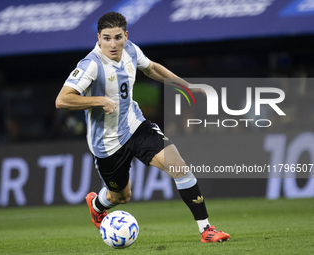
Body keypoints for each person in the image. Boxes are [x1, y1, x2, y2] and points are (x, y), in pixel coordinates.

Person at [55, 12, 229, 243]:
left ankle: (206, 229)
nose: (113, 44)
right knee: (121, 197)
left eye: (118, 37)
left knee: (179, 166)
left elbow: (153, 69)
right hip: (107, 144)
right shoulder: (91, 65)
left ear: (126, 35)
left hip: (136, 126)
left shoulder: (131, 50)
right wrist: (100, 100)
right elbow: (62, 100)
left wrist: (186, 86)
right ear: (98, 38)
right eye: (106, 38)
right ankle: (97, 204)